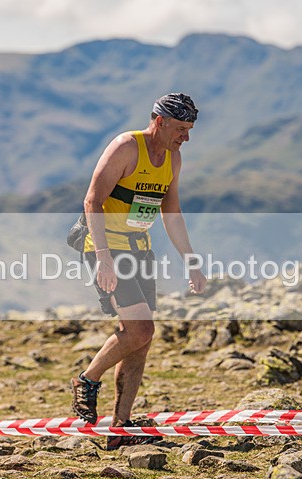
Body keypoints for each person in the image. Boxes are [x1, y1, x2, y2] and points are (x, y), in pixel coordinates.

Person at [70, 93, 207, 450]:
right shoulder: (127, 147)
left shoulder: (173, 158)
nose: (186, 137)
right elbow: (92, 201)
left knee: (141, 339)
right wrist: (103, 257)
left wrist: (190, 259)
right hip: (106, 247)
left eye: (190, 130)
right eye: (180, 129)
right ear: (158, 121)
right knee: (140, 328)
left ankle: (121, 426)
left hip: (139, 248)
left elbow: (171, 211)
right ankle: (86, 379)